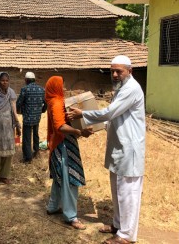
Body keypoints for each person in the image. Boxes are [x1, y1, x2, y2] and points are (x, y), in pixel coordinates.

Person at [68, 55, 145, 244]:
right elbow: (112, 115)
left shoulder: (131, 89)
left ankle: (126, 236)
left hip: (129, 149)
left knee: (128, 193)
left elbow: (109, 113)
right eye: (112, 71)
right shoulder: (121, 89)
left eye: (119, 71)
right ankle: (118, 225)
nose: (116, 74)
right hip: (119, 147)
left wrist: (82, 113)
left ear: (130, 71)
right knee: (118, 189)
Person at [44, 76, 92, 230]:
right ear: (56, 87)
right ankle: (71, 216)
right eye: (62, 85)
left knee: (60, 177)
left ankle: (53, 206)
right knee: (69, 179)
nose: (64, 88)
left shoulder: (52, 101)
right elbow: (60, 127)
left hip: (57, 144)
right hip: (64, 144)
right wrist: (78, 131)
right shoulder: (57, 102)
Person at [16, 71, 46, 163]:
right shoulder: (41, 89)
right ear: (34, 80)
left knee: (27, 137)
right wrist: (42, 110)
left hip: (28, 117)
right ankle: (36, 151)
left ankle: (28, 157)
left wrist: (18, 111)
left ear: (26, 80)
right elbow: (46, 103)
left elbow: (19, 102)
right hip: (37, 117)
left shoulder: (25, 89)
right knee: (36, 134)